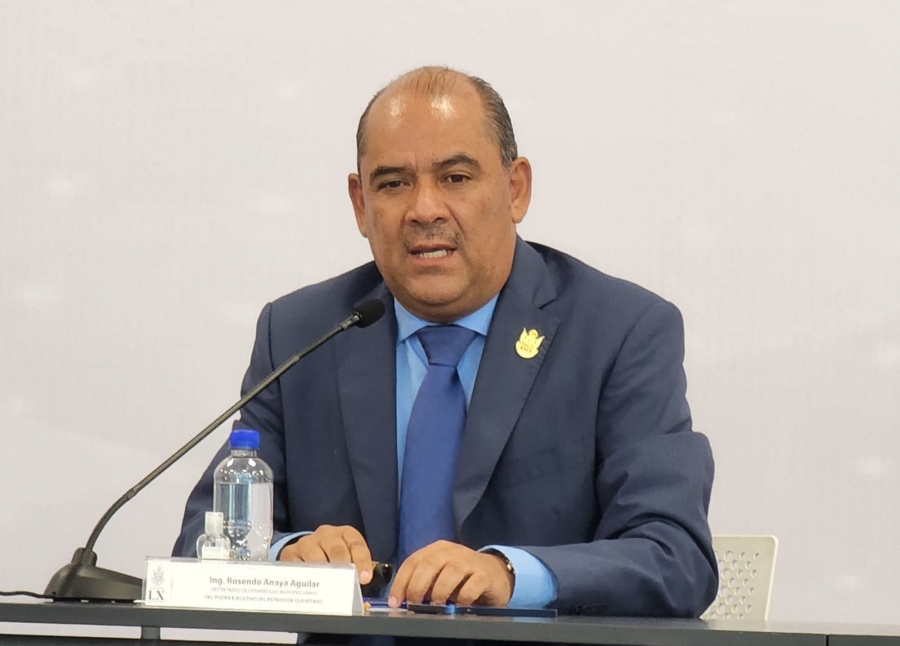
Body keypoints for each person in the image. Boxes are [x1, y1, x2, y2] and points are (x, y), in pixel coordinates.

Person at [173, 66, 718, 618]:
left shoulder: (618, 331)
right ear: (360, 204)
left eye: (455, 178)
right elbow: (201, 539)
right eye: (393, 184)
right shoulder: (302, 333)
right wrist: (284, 555)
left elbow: (674, 557)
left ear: (516, 189)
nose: (424, 210)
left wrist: (511, 574)